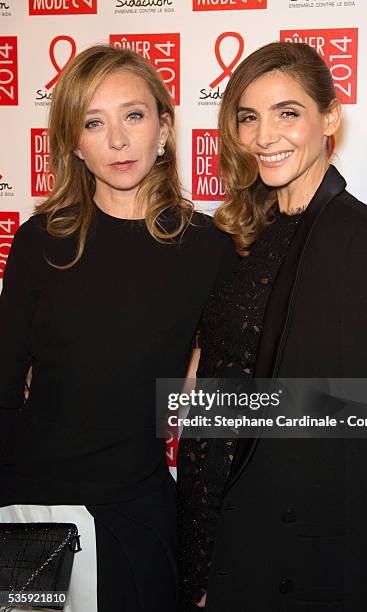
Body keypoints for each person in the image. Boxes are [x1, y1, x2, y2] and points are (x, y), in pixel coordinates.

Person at [0, 44, 237, 612]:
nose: (117, 140)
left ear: (164, 126)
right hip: (32, 504)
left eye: (133, 115)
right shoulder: (40, 242)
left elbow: (229, 389)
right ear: (74, 145)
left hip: (138, 507)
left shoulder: (209, 249)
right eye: (93, 122)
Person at [177, 41, 367, 612]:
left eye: (288, 112)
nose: (264, 136)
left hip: (288, 544)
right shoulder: (250, 231)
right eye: (249, 117)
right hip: (212, 512)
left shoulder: (356, 238)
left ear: (329, 117)